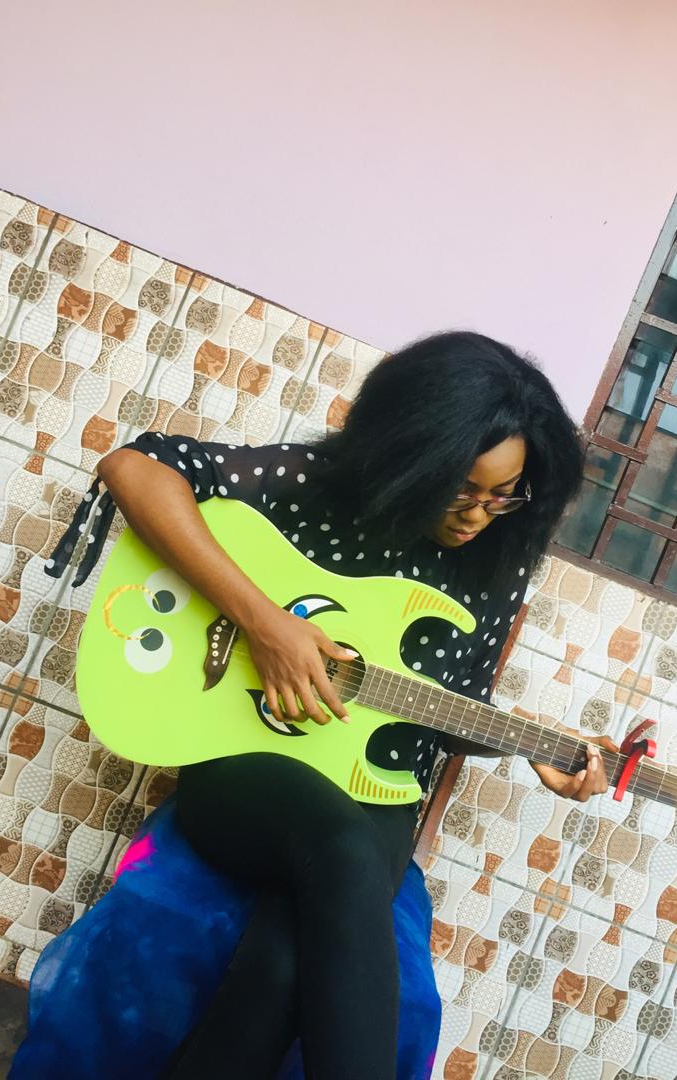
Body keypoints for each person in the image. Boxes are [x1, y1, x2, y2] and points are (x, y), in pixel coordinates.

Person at [42, 330, 614, 1079]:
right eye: (461, 487)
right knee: (341, 853)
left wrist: (532, 745)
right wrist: (265, 625)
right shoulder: (313, 483)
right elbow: (132, 468)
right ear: (412, 453)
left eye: (503, 494)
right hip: (250, 765)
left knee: (285, 961)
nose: (479, 513)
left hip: (379, 790)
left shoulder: (498, 558)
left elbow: (455, 705)